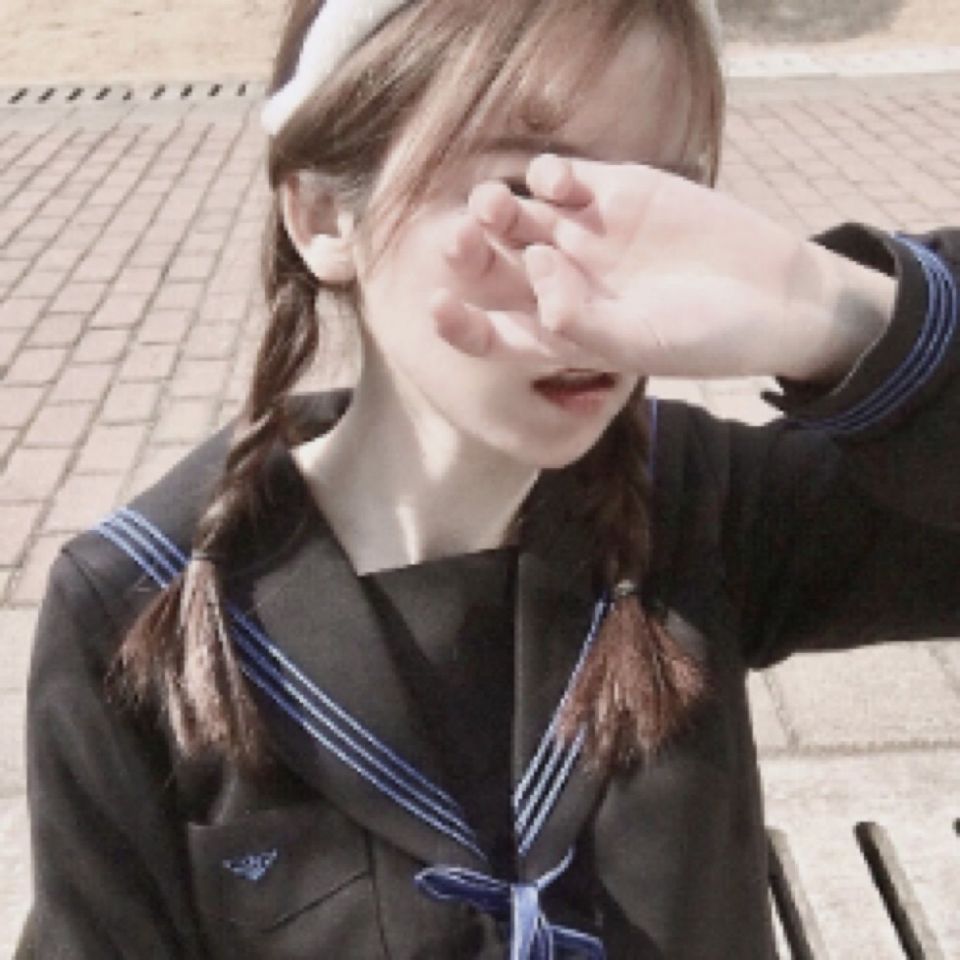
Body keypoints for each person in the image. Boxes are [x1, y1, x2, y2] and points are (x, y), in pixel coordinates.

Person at [17, 0, 960, 957]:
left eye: (660, 199)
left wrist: (831, 312)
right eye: (522, 196)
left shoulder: (698, 505)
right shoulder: (143, 606)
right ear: (323, 214)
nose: (587, 282)